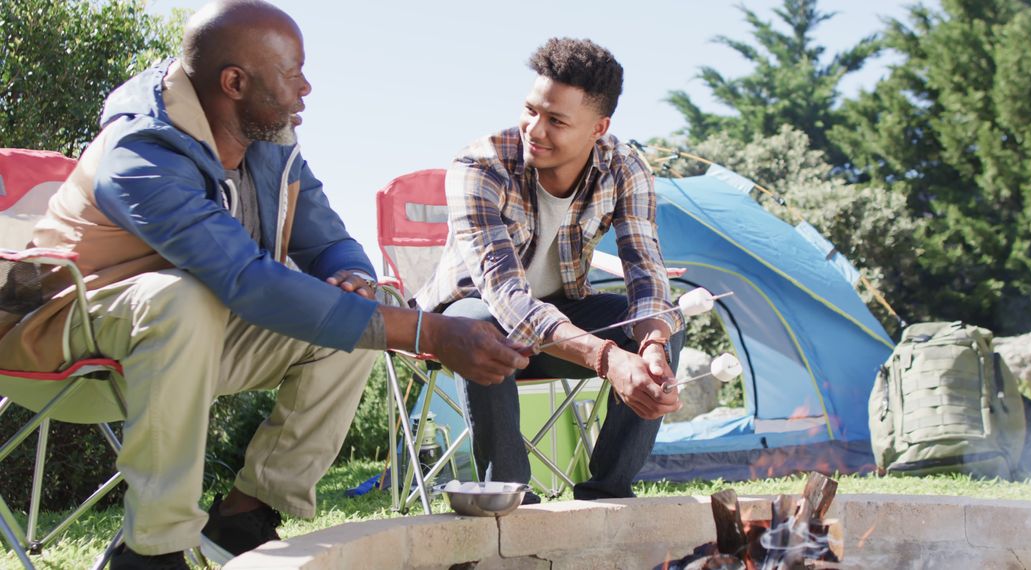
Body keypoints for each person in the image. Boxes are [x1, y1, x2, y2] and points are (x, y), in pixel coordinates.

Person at [0, 1, 528, 568]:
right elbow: (244, 280)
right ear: (234, 82)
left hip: (184, 340)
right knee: (182, 296)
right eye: (292, 71)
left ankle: (243, 516)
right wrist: (428, 331)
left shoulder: (272, 145)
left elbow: (329, 241)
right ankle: (151, 550)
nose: (306, 88)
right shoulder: (139, 154)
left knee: (364, 316)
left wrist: (352, 277)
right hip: (57, 337)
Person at [415, 37, 685, 502]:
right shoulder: (479, 166)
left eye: (556, 120)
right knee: (479, 323)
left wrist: (652, 342)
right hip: (474, 326)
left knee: (666, 325)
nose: (534, 129)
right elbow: (509, 302)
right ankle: (512, 497)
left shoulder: (626, 168)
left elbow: (646, 271)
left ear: (599, 127)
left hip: (563, 323)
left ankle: (606, 494)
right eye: (530, 109)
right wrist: (607, 358)